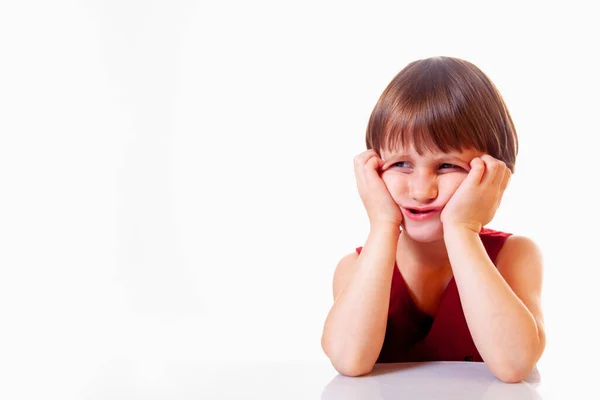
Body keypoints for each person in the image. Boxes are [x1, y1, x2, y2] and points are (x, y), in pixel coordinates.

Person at [320, 56, 546, 383]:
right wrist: (383, 226)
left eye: (446, 166)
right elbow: (348, 359)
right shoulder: (354, 268)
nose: (421, 191)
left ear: (493, 172)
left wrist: (462, 229)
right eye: (401, 164)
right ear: (374, 169)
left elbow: (514, 365)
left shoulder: (515, 256)